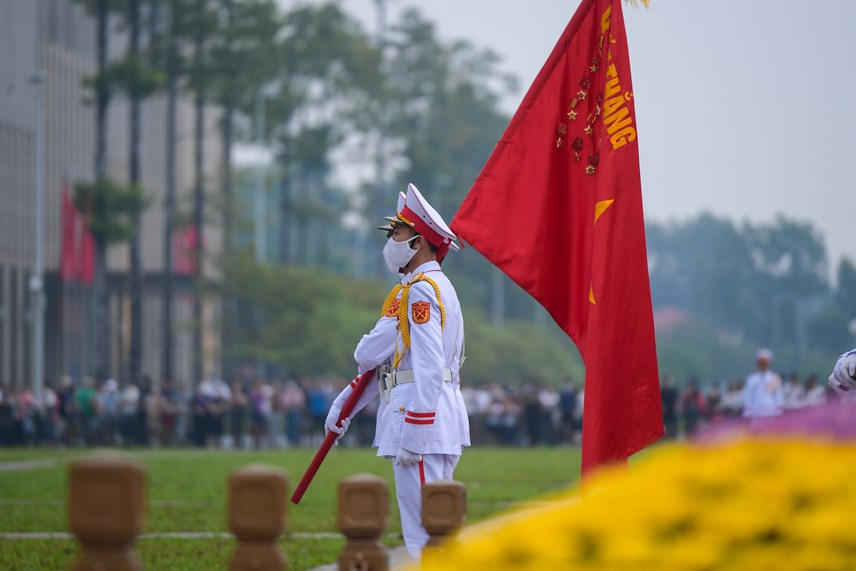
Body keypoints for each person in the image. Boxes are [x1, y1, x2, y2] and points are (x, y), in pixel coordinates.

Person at [324, 184, 470, 559]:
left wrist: (416, 431)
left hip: (420, 416)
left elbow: (424, 365)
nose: (391, 239)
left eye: (397, 232)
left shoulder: (418, 292)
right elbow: (388, 367)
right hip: (436, 415)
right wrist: (345, 408)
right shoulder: (436, 287)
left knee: (424, 534)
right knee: (435, 529)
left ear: (418, 241)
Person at [742, 348, 784, 418]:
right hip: (755, 415)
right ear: (758, 363)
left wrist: (779, 413)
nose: (763, 364)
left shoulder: (775, 378)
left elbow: (779, 398)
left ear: (769, 363)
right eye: (761, 362)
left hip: (771, 414)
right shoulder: (751, 379)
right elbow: (748, 397)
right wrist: (748, 413)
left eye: (765, 362)